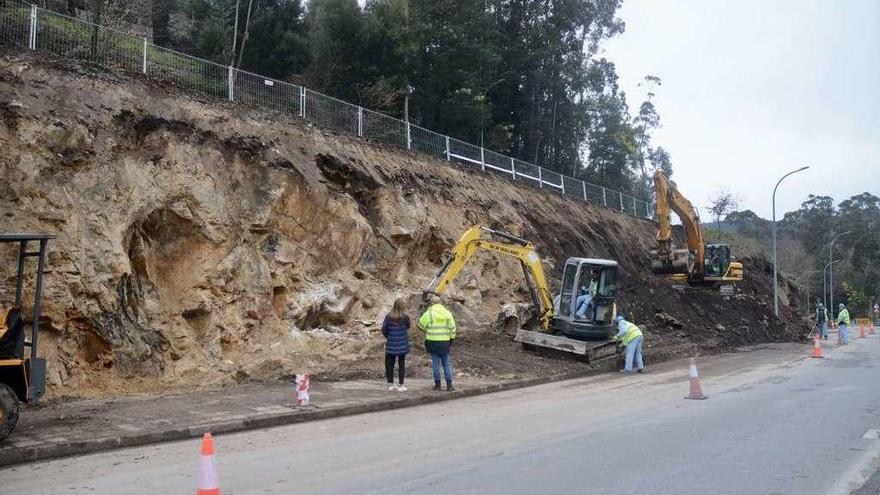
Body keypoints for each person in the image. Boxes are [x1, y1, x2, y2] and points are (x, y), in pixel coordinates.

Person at [418, 296, 457, 391]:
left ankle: (438, 385)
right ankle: (449, 385)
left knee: (436, 364)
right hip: (445, 342)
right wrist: (451, 339)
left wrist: (427, 330)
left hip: (432, 342)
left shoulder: (429, 314)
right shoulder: (448, 314)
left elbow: (420, 325)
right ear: (441, 303)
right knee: (446, 364)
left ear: (431, 303)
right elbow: (453, 328)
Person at [381, 298, 410, 391]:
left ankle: (391, 384)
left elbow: (384, 329)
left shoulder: (388, 316)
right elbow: (408, 326)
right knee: (401, 364)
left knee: (390, 364)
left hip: (391, 344)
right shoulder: (405, 317)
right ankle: (401, 385)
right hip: (402, 345)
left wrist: (389, 336)